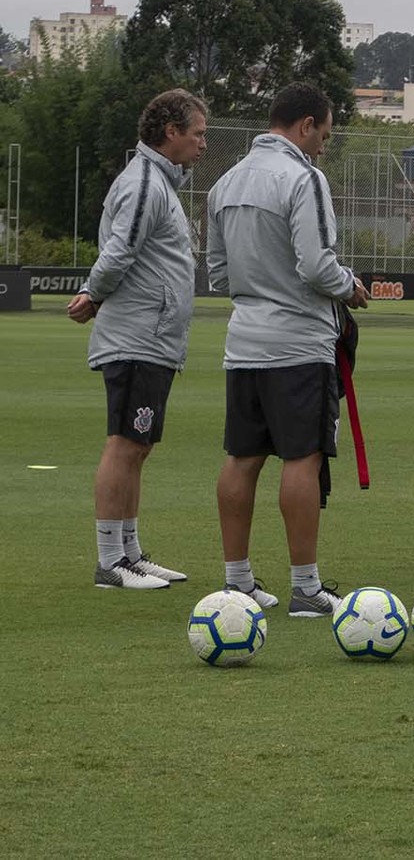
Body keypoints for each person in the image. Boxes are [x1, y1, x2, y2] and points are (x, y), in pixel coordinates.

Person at [206, 83, 369, 616]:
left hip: (243, 341)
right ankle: (306, 587)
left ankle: (237, 582)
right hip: (299, 343)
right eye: (324, 133)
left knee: (242, 457)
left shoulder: (225, 181)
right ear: (305, 125)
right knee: (302, 457)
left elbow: (218, 274)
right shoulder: (304, 177)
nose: (324, 144)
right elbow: (317, 265)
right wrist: (350, 286)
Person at [68, 89, 207, 590]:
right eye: (198, 133)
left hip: (155, 337)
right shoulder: (145, 182)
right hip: (137, 336)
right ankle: (110, 561)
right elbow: (119, 251)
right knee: (125, 444)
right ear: (171, 132)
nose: (203, 143)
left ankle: (129, 553)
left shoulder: (159, 182)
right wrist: (93, 293)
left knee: (139, 445)